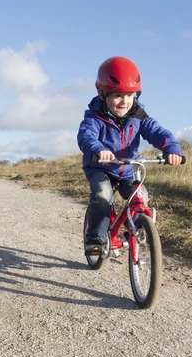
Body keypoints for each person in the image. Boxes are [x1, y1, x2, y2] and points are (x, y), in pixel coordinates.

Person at [77, 56, 183, 254]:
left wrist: (171, 149)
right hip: (100, 167)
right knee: (102, 194)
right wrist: (99, 150)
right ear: (102, 93)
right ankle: (95, 238)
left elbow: (158, 132)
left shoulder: (138, 116)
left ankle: (136, 228)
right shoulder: (94, 117)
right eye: (117, 95)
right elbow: (86, 136)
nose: (124, 101)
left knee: (142, 195)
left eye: (129, 95)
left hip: (126, 169)